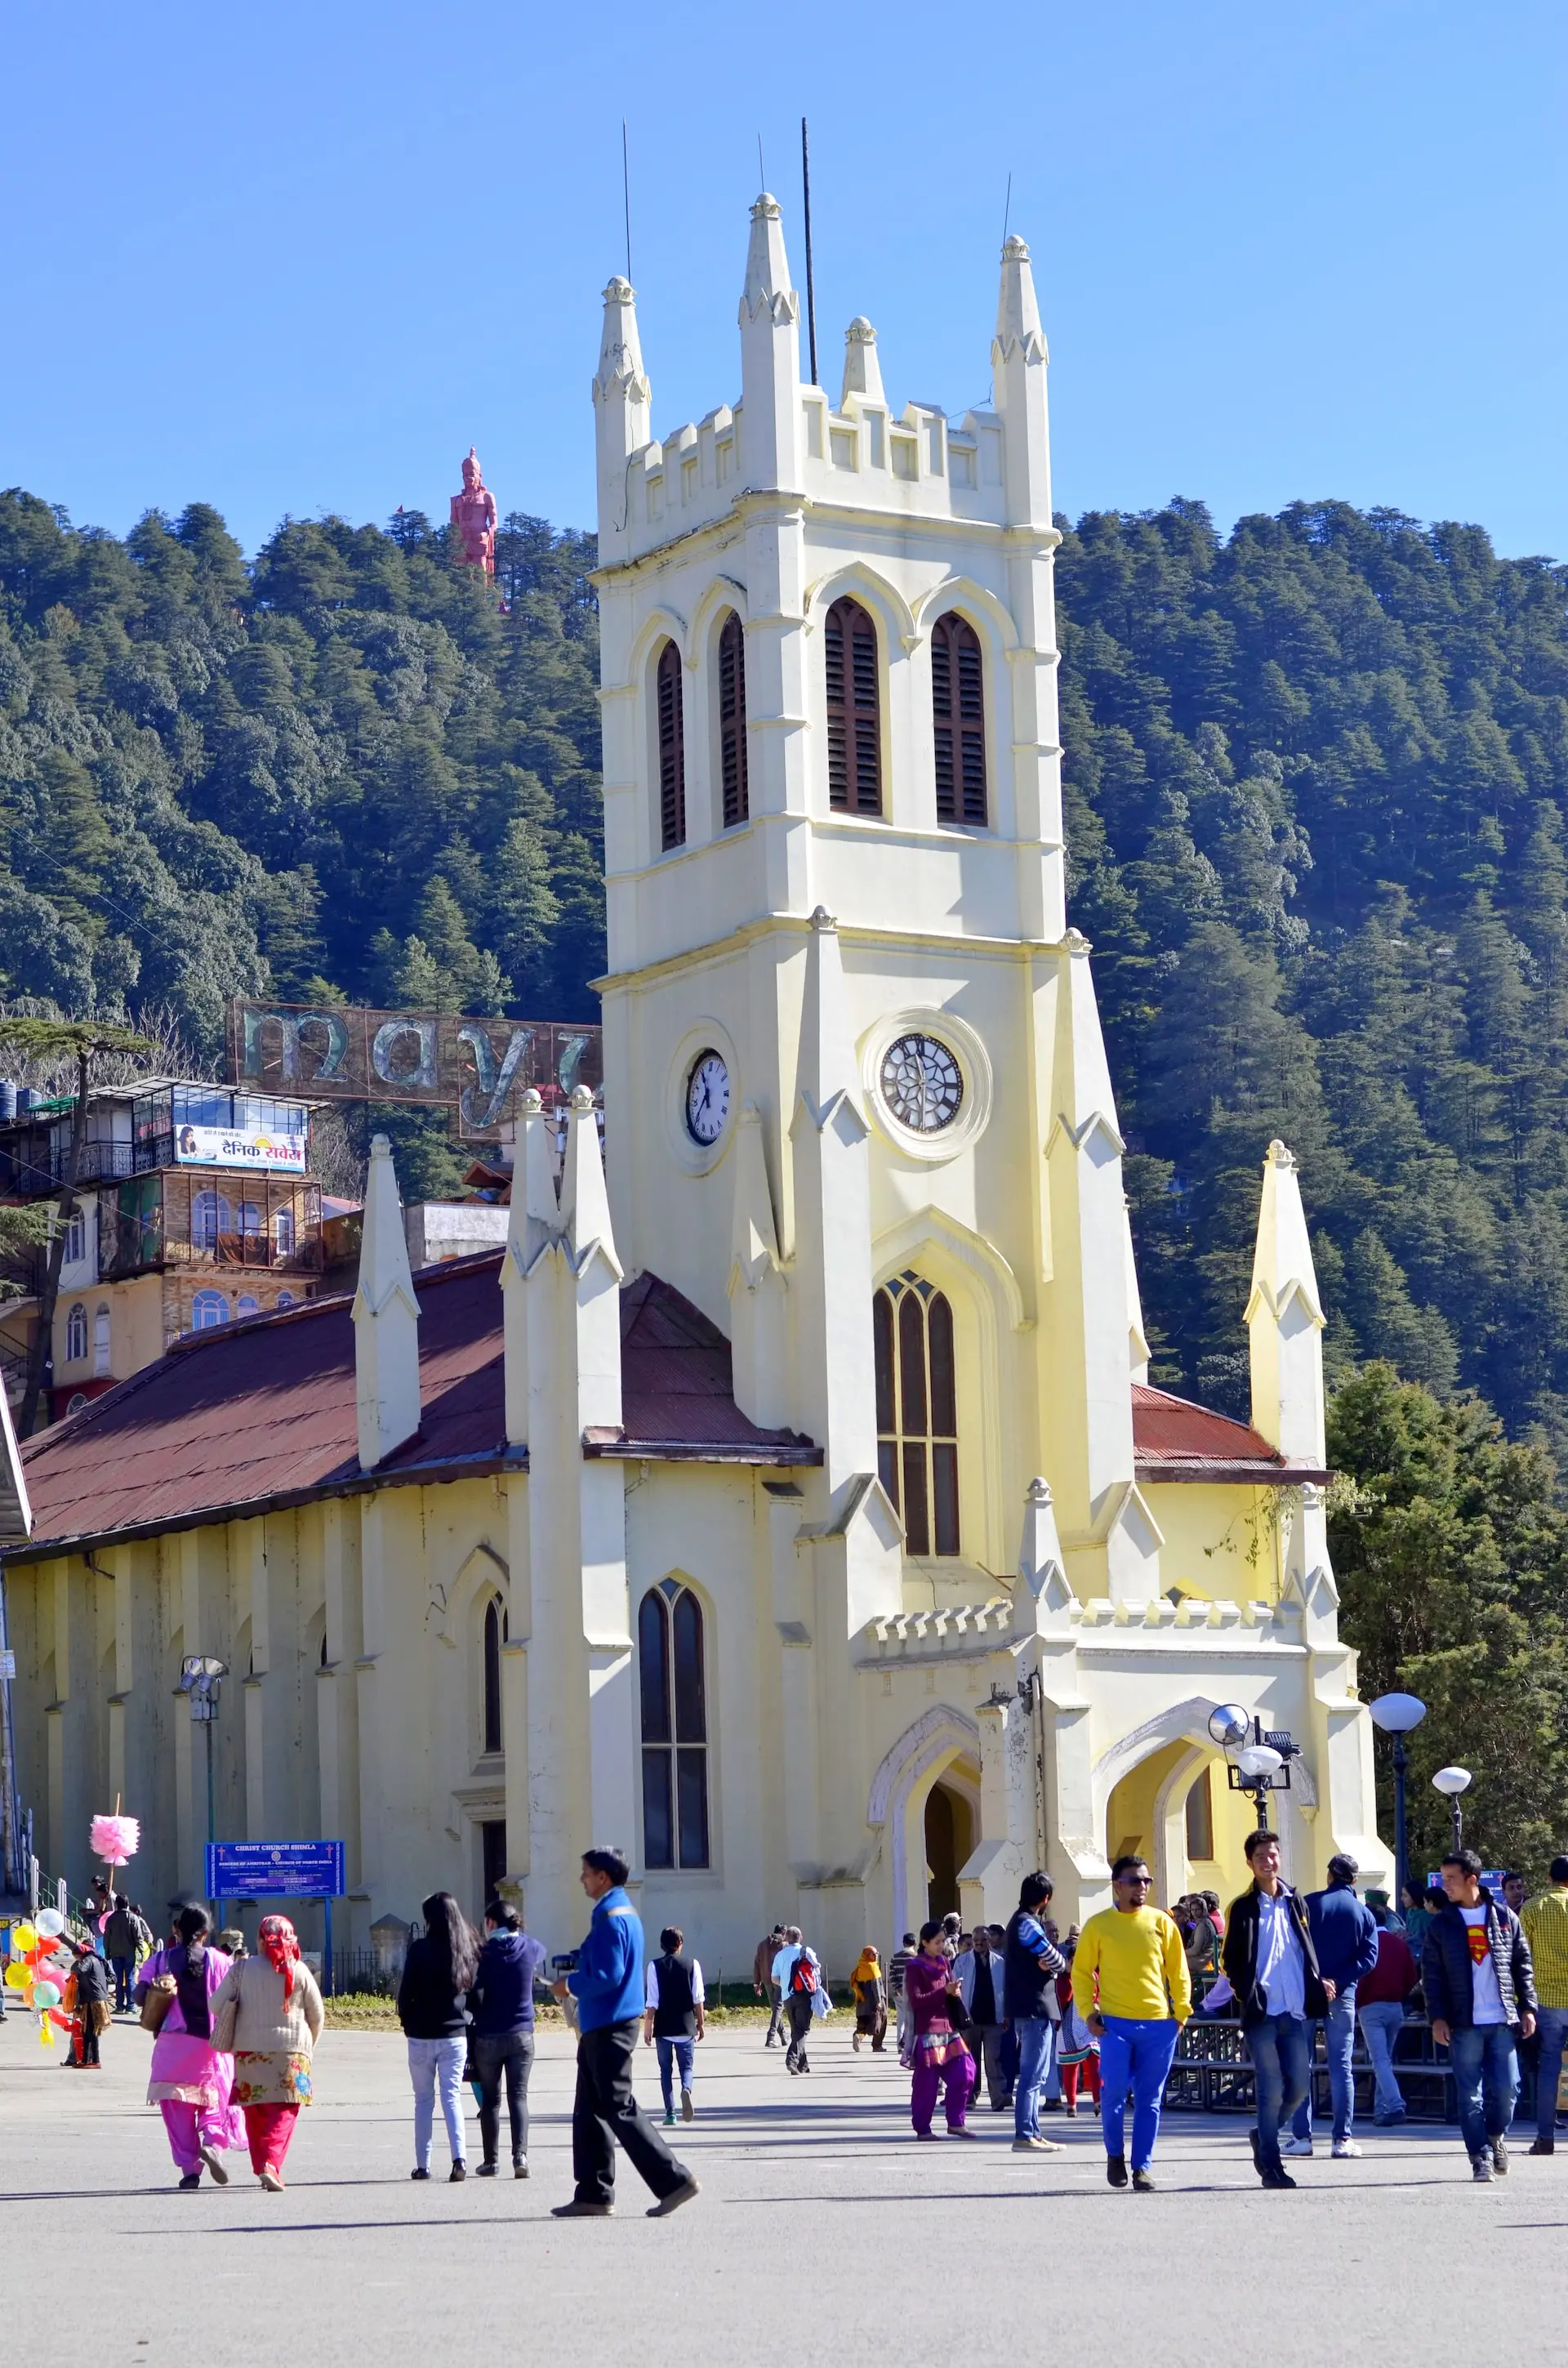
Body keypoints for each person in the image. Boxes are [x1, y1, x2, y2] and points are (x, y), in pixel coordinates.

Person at [551, 1845, 697, 2219]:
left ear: (603, 1876)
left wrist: (570, 1986)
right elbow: (598, 1961)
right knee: (589, 2110)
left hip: (610, 2023)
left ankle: (674, 2180)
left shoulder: (613, 1917)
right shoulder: (616, 1912)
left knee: (618, 2105)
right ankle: (593, 2193)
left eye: (586, 1872)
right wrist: (576, 1962)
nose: (582, 1878)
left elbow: (608, 1975)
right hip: (602, 2024)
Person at [1072, 1855, 1191, 2191]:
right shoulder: (1098, 1925)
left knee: (1150, 2099)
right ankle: (1115, 2156)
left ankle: (1142, 2167)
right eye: (1135, 1881)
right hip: (1115, 2026)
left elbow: (1178, 1971)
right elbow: (1081, 1973)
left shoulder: (1162, 1922)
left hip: (1159, 2025)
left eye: (1147, 1881)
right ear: (1117, 1885)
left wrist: (1181, 2013)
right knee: (1113, 2095)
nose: (1142, 1888)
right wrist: (1088, 2011)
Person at [1222, 1830, 1332, 2191]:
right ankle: (1271, 2163)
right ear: (1250, 1863)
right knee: (1271, 2089)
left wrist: (1318, 1981)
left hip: (1295, 2009)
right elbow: (1230, 1961)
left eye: (1273, 1855)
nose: (1269, 1862)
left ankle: (1262, 2134)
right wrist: (1247, 1992)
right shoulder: (1243, 1907)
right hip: (1262, 2011)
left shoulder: (1295, 1902)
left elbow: (1306, 1950)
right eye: (1261, 1857)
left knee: (1299, 2087)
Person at [1423, 1848, 1537, 2183]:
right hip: (1463, 2023)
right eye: (1443, 1879)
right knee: (1469, 2093)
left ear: (1471, 1879)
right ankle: (1480, 2156)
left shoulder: (1504, 1917)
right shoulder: (1442, 1924)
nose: (1445, 1886)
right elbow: (1432, 1974)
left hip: (1502, 2021)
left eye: (1451, 1879)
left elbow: (1523, 1966)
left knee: (1508, 2089)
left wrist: (1528, 2007)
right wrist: (1437, 2017)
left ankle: (1494, 2135)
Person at [211, 1914, 323, 2191]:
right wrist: (309, 2046)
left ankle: (262, 2165)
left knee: (256, 2111)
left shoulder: (241, 1969)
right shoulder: (300, 1970)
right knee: (285, 2110)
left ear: (261, 1939)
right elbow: (317, 2014)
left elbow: (215, 2005)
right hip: (292, 2051)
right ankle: (271, 2165)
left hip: (249, 2052)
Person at [137, 1903, 243, 2190]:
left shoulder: (159, 1961)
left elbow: (138, 1996)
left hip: (171, 2048)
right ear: (206, 1934)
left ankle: (189, 2169)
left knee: (177, 2110)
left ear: (176, 1930)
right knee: (214, 2100)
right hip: (209, 2047)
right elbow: (235, 1999)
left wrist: (154, 1992)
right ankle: (212, 2140)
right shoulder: (221, 1961)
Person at [1284, 1853, 1379, 2160]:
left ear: (1329, 1875)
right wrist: (1339, 1980)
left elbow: (1291, 1949)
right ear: (1353, 1880)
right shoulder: (1363, 1913)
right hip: (1343, 1994)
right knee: (1342, 2066)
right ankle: (1342, 2138)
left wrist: (1317, 1978)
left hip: (1307, 1993)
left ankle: (1301, 2137)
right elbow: (1369, 1959)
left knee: (1301, 2064)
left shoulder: (1308, 1904)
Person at [397, 1890, 479, 2183]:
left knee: (423, 2100)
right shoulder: (465, 1950)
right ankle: (460, 2159)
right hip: (454, 2033)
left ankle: (424, 2164)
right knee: (452, 2096)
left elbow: (405, 1994)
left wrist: (407, 2022)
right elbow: (474, 1994)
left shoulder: (419, 1950)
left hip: (421, 2033)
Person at [470, 1897, 546, 2177]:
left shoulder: (485, 1952)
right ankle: (520, 2157)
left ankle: (491, 2160)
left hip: (488, 2034)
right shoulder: (531, 1947)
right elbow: (539, 1955)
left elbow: (474, 1989)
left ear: (490, 1923)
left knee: (491, 2100)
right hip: (522, 2034)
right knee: (519, 2097)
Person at [1003, 1873, 1067, 2156]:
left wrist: (1048, 1966)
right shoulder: (1028, 1924)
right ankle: (1025, 2134)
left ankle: (1033, 2132)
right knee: (1032, 2075)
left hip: (1025, 2005)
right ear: (1045, 1899)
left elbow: (1046, 1961)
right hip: (1035, 2006)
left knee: (1036, 2074)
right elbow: (1057, 1959)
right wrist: (1056, 1966)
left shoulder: (1017, 1921)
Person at [906, 1920, 976, 2138]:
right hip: (928, 2031)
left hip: (949, 2028)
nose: (941, 1945)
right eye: (937, 1942)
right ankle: (923, 2128)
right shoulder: (915, 1967)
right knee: (926, 2085)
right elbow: (917, 2001)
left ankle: (956, 2121)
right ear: (924, 1942)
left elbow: (948, 1989)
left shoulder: (945, 1962)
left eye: (943, 1941)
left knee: (966, 2072)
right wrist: (944, 1992)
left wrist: (955, 1991)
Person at [1356, 1894, 1419, 2126]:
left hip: (1371, 2007)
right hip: (1396, 2006)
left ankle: (1395, 2105)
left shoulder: (1365, 1944)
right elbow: (1411, 1977)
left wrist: (1357, 2003)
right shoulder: (1399, 1944)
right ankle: (1381, 2112)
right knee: (1385, 2060)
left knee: (1379, 2060)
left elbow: (1360, 1978)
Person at [1521, 1855, 1568, 2156]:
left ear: (1549, 1876)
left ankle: (1545, 2138)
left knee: (1548, 2068)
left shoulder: (1532, 1908)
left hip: (1547, 2000)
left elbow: (1520, 1959)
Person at [644, 1923, 706, 2124]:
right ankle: (686, 2089)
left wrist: (648, 2026)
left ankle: (670, 2113)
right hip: (686, 2025)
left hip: (663, 2027)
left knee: (665, 2070)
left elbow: (652, 2001)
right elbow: (698, 1998)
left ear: (662, 1945)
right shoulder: (692, 1964)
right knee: (687, 2067)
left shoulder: (654, 1966)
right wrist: (701, 2024)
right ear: (680, 1943)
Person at [953, 1924, 1007, 2107]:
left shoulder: (1000, 1962)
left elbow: (1006, 1991)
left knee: (994, 2059)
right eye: (975, 1941)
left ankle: (998, 2098)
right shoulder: (962, 1962)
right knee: (970, 2060)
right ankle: (970, 2096)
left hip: (994, 2020)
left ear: (989, 1941)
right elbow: (954, 1988)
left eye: (983, 1941)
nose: (978, 1944)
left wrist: (1007, 2015)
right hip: (970, 2020)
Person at [774, 1924, 822, 2075]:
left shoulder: (780, 1955)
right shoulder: (806, 1951)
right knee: (803, 2029)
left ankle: (803, 2065)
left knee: (796, 2030)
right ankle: (792, 2060)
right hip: (803, 1995)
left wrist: (785, 1984)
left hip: (787, 1997)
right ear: (800, 1937)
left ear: (786, 1939)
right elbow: (816, 1970)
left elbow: (774, 1978)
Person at [105, 1893, 149, 2014]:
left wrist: (107, 1951)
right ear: (127, 1904)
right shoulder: (133, 1918)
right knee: (129, 1978)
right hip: (129, 1953)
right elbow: (138, 1937)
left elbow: (107, 1937)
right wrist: (141, 1950)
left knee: (119, 1980)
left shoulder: (111, 1918)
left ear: (117, 1904)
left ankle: (119, 2006)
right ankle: (131, 2005)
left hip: (115, 1953)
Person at [69, 1941, 110, 2066]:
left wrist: (74, 1972)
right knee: (88, 2030)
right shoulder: (97, 1960)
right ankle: (86, 2060)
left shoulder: (88, 1960)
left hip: (93, 1999)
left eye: (77, 1956)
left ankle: (94, 2061)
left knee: (91, 2030)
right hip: (94, 1998)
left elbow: (80, 1969)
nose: (76, 1959)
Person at [849, 1945, 888, 2053]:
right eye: (873, 1954)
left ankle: (858, 2036)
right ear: (867, 1955)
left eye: (876, 1953)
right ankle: (877, 2045)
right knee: (882, 2020)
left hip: (863, 2001)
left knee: (864, 2022)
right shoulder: (872, 1967)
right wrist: (879, 2001)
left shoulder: (861, 1966)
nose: (875, 1956)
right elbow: (876, 1987)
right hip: (874, 2000)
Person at [754, 1923, 786, 2047]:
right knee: (778, 2008)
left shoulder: (762, 1945)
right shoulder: (784, 1945)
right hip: (779, 1980)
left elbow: (757, 1963)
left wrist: (757, 1983)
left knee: (775, 2009)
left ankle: (783, 2035)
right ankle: (771, 2037)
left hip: (766, 1979)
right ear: (783, 1933)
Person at [890, 1932, 918, 2055]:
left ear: (903, 1943)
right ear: (915, 1943)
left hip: (899, 1994)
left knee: (901, 2021)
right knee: (912, 2021)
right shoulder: (917, 1958)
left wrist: (898, 1988)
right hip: (913, 1994)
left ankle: (900, 2046)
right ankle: (910, 2044)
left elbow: (892, 1975)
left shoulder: (895, 1957)